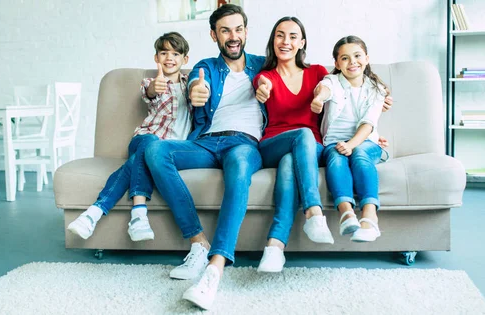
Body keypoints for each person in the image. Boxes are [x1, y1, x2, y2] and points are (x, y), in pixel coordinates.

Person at [143, 4, 265, 311]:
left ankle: (214, 268)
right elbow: (198, 86)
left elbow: (308, 77)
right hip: (207, 142)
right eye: (225, 30)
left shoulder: (264, 66)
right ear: (214, 35)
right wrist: (197, 91)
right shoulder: (205, 65)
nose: (233, 36)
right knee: (154, 149)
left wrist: (375, 89)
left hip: (244, 144)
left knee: (238, 169)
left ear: (246, 32)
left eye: (238, 29)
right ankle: (198, 243)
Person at [67, 32, 191, 242]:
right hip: (144, 139)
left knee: (137, 162)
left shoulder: (191, 83)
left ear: (185, 59)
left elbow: (202, 92)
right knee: (151, 143)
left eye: (176, 53)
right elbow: (150, 93)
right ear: (156, 58)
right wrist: (155, 87)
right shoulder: (151, 82)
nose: (169, 58)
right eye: (164, 53)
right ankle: (139, 214)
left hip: (169, 150)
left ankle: (93, 213)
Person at [252, 16, 334, 273]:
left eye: (292, 36)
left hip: (310, 149)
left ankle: (275, 247)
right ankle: (313, 210)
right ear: (273, 40)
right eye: (279, 35)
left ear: (302, 43)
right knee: (301, 136)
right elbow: (260, 85)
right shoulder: (266, 76)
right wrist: (262, 89)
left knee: (291, 161)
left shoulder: (317, 72)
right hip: (272, 145)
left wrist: (322, 95)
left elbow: (336, 87)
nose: (285, 41)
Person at [315, 35, 388, 242]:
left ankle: (369, 215)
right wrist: (319, 98)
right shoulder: (333, 81)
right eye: (345, 58)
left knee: (360, 155)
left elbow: (368, 123)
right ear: (337, 64)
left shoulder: (377, 90)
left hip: (366, 143)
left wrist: (351, 144)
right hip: (334, 142)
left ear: (366, 58)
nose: (352, 62)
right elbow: (324, 89)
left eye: (357, 56)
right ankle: (346, 213)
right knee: (336, 158)